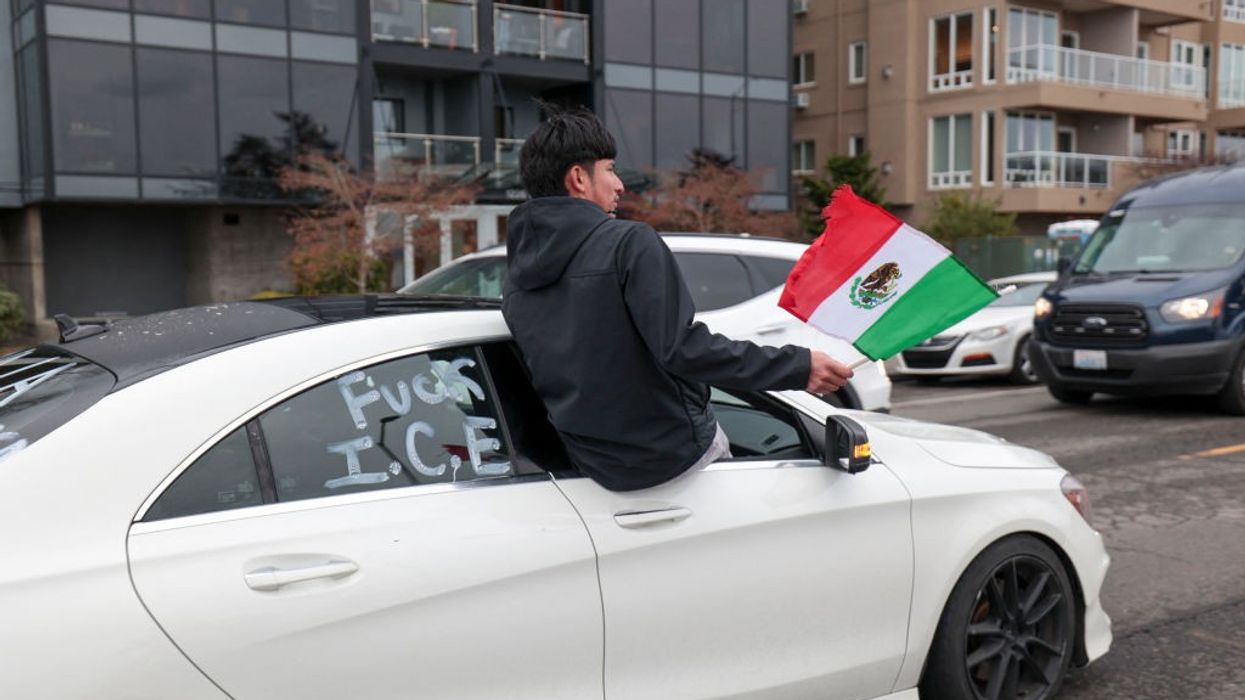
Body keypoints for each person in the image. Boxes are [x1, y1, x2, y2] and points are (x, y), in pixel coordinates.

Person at [501, 105, 853, 491]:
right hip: (676, 459)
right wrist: (798, 367)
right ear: (579, 178)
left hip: (592, 472)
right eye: (610, 169)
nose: (619, 185)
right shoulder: (628, 244)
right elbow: (684, 350)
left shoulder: (515, 280)